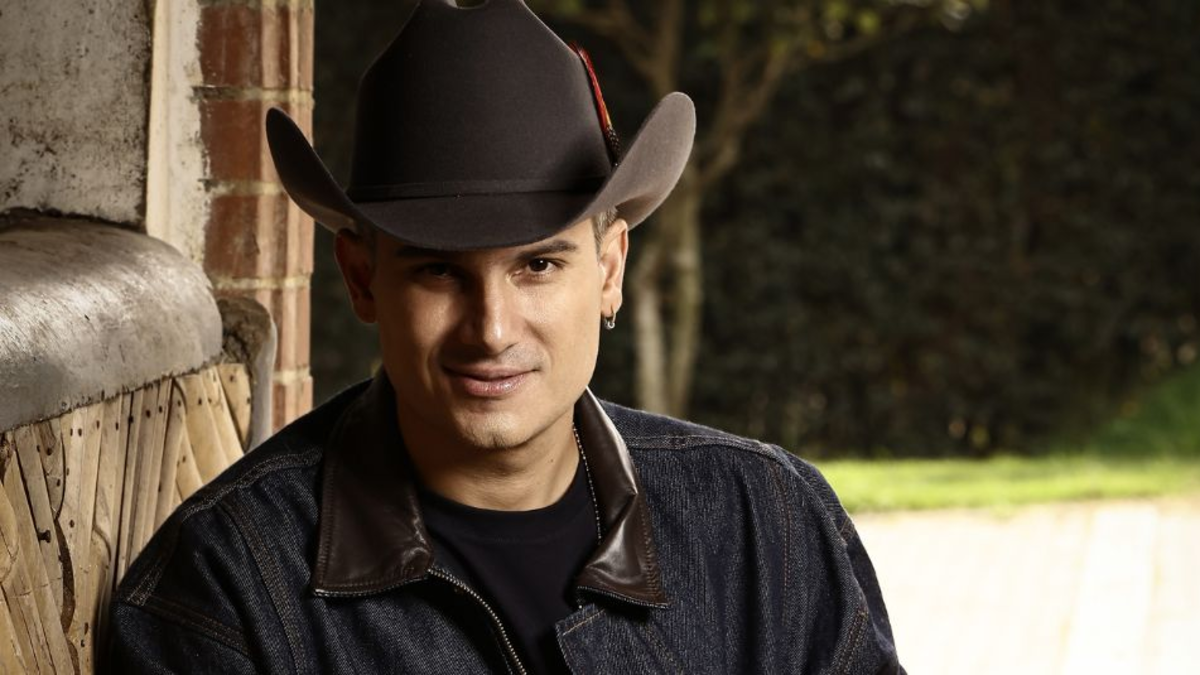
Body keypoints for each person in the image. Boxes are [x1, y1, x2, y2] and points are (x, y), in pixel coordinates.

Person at [107, 1, 904, 672]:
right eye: (438, 271)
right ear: (362, 278)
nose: (490, 329)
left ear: (609, 270)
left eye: (538, 264)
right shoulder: (226, 585)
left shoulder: (769, 528)